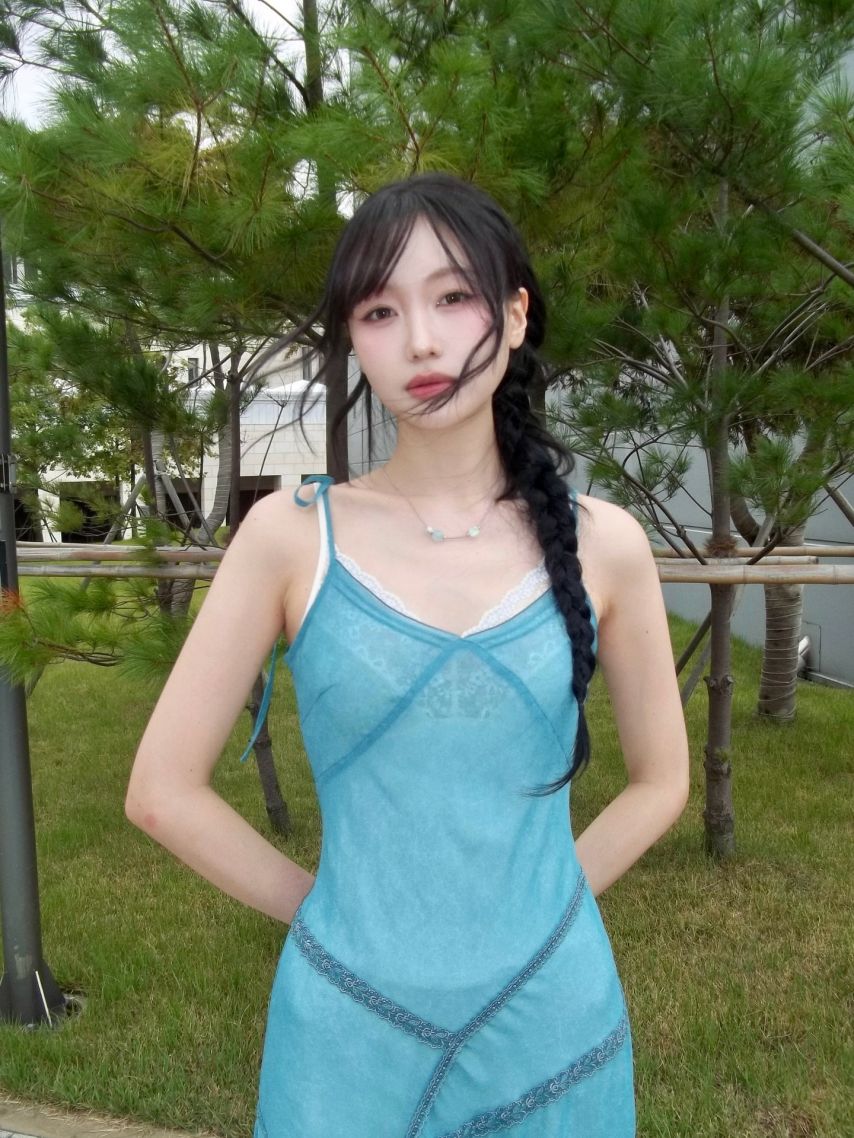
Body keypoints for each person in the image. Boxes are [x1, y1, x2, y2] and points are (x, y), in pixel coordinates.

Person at [126, 173, 689, 1137]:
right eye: (380, 311)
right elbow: (160, 791)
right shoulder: (290, 536)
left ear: (516, 315)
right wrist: (328, 914)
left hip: (553, 1032)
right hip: (348, 1034)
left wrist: (545, 906)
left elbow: (662, 780)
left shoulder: (608, 544)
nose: (421, 341)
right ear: (354, 337)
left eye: (454, 296)